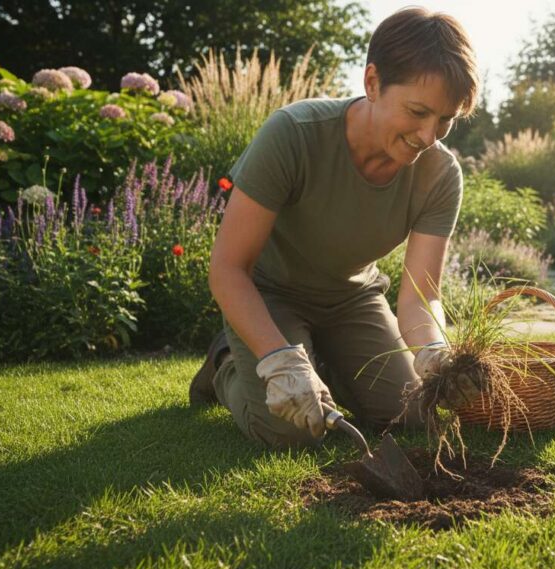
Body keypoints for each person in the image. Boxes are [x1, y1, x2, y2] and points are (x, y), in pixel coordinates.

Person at [188, 7, 481, 448]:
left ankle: (321, 360)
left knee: (414, 414)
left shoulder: (439, 175)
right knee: (290, 431)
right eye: (418, 111)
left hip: (351, 299)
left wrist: (435, 354)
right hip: (271, 295)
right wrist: (277, 360)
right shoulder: (294, 134)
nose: (428, 135)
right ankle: (227, 363)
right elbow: (228, 268)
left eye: (445, 119)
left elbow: (424, 295)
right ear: (372, 83)